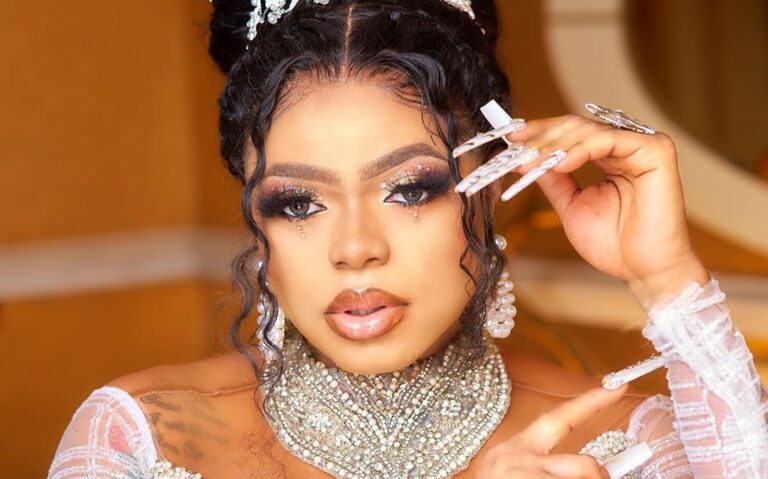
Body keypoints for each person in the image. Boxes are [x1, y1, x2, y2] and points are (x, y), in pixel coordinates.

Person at [47, 1, 768, 478]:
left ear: (488, 188)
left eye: (410, 189)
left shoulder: (623, 440)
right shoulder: (136, 437)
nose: (355, 247)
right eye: (298, 203)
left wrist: (667, 278)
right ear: (258, 227)